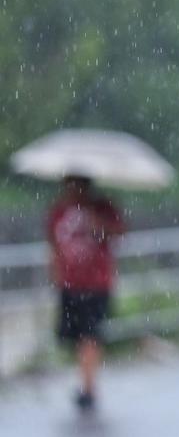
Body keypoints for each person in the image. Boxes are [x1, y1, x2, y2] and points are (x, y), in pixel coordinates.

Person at [47, 175, 124, 411]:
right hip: (70, 284)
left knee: (90, 335)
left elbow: (119, 233)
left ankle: (88, 388)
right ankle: (86, 380)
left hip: (96, 284)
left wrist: (97, 223)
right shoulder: (59, 211)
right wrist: (54, 273)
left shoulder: (102, 208)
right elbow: (53, 244)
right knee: (75, 337)